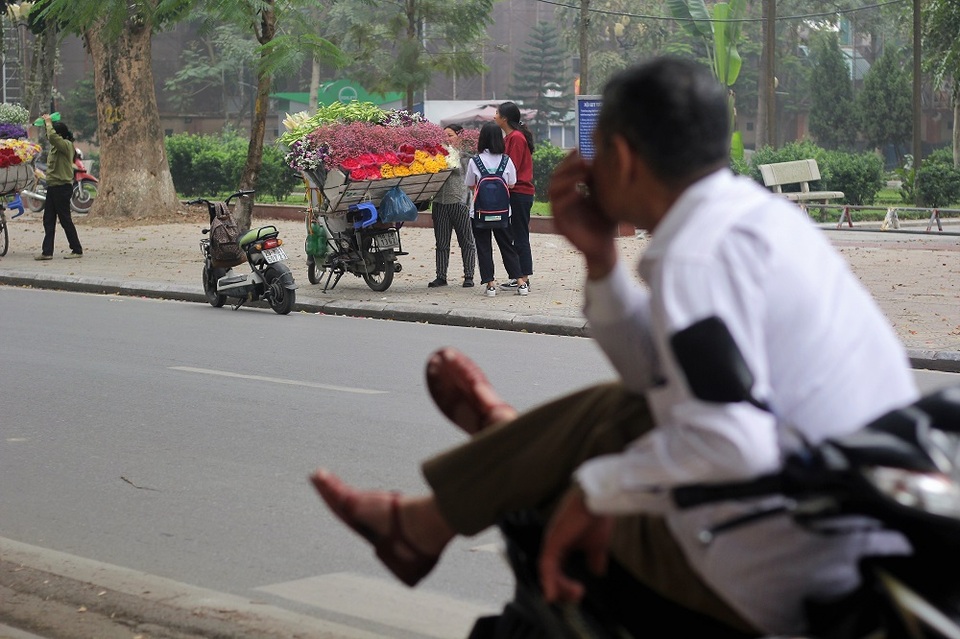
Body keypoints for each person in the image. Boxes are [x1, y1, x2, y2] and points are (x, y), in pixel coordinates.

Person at [310, 57, 919, 637]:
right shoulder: (758, 220)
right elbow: (658, 373)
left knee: (558, 491)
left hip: (778, 564)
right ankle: (473, 478)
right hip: (842, 528)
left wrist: (595, 490)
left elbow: (734, 442)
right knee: (627, 405)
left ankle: (484, 470)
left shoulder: (695, 255)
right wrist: (600, 261)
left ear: (621, 156)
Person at [464, 122, 524, 298]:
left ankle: (490, 285)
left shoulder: (475, 161)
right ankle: (521, 283)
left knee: (483, 247)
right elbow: (512, 183)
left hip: (480, 213)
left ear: (481, 139)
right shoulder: (507, 160)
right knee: (507, 246)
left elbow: (469, 184)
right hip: (504, 212)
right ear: (500, 139)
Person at [428, 124, 477, 288]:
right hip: (439, 203)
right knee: (441, 243)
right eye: (444, 136)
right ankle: (441, 276)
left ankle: (469, 276)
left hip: (459, 202)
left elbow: (466, 173)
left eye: (450, 135)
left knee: (466, 241)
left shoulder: (466, 156)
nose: (446, 139)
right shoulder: (437, 154)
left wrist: (452, 154)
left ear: (460, 136)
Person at [494, 101, 534, 294]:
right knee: (515, 234)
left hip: (519, 193)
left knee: (519, 235)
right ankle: (518, 275)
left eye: (496, 113)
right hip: (514, 192)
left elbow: (512, 167)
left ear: (504, 118)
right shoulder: (509, 137)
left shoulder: (516, 138)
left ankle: (523, 277)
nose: (494, 116)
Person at [35, 114, 83, 260]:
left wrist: (49, 123)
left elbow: (53, 137)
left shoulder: (66, 145)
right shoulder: (57, 147)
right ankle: (47, 252)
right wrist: (46, 123)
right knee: (48, 219)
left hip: (62, 188)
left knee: (65, 219)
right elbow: (51, 137)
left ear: (60, 134)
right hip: (53, 186)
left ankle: (77, 249)